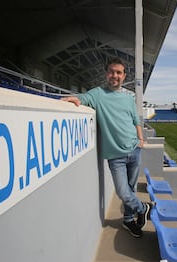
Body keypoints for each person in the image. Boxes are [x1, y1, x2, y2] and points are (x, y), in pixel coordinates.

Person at [61, 57, 151, 238]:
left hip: (134, 149)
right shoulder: (98, 94)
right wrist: (75, 99)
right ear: (106, 73)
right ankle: (143, 208)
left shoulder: (128, 98)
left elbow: (135, 120)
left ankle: (128, 220)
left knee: (131, 189)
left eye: (118, 72)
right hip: (115, 155)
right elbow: (85, 98)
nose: (114, 75)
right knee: (122, 191)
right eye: (111, 71)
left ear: (124, 76)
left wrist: (140, 139)